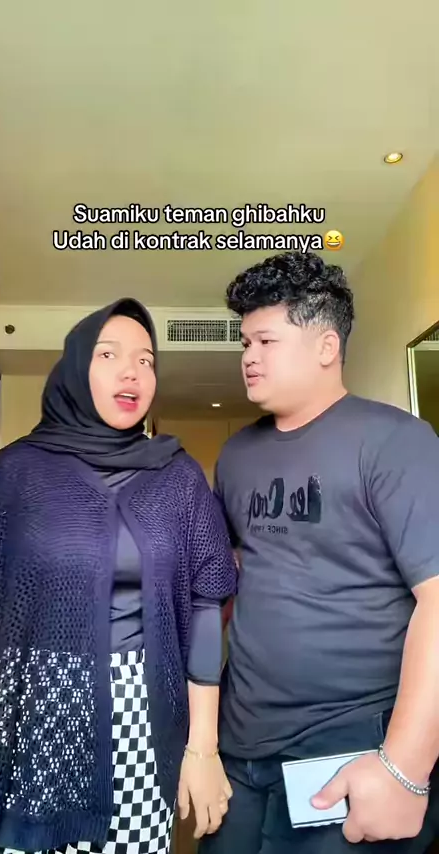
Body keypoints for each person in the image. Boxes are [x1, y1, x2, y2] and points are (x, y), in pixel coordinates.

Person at [0, 297, 237, 854]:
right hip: (31, 709)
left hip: (142, 712)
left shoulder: (178, 478)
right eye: (109, 354)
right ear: (76, 366)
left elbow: (207, 604)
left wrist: (203, 747)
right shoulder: (13, 473)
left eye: (146, 360)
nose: (132, 371)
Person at [199, 250, 439, 853]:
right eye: (245, 342)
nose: (248, 357)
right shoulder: (237, 455)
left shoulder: (396, 442)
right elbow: (228, 576)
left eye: (266, 341)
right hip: (240, 742)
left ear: (327, 346)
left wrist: (405, 768)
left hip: (353, 744)